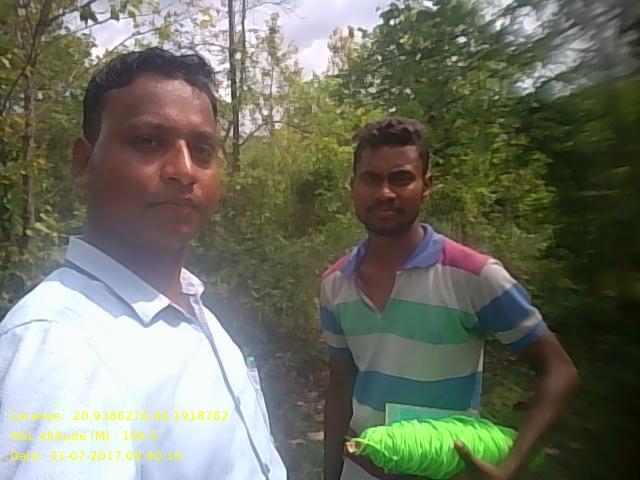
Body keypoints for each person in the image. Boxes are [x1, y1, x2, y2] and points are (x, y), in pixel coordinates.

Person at [0, 47, 286, 480]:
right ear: (84, 163)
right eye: (148, 142)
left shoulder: (191, 305)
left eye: (203, 150)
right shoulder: (61, 347)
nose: (184, 170)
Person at [321, 117, 579, 480]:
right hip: (361, 467)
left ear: (426, 185)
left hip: (447, 472)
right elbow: (340, 387)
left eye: (401, 178)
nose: (385, 193)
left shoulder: (474, 275)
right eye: (371, 178)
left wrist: (510, 467)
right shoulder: (335, 284)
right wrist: (330, 473)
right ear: (353, 186)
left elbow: (559, 370)